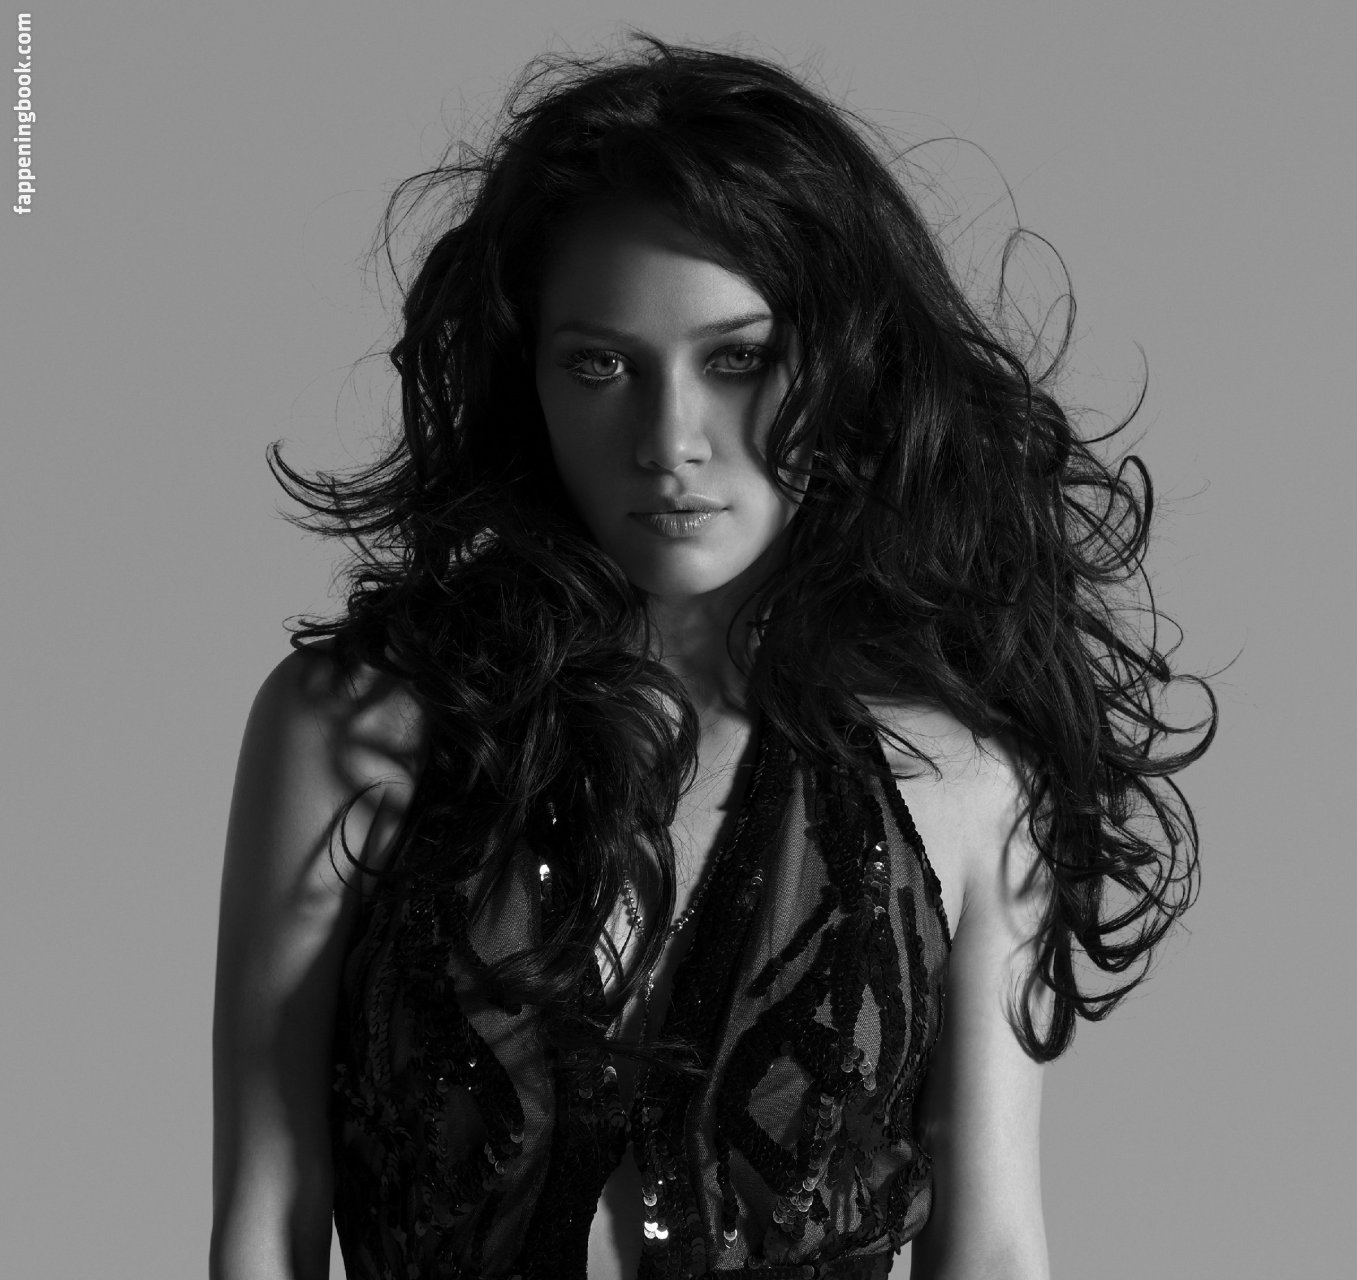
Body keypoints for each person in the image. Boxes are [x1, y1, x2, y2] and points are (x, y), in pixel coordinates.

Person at [210, 37, 1213, 1280]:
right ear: (529, 380)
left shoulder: (961, 785)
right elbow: (265, 1218)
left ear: (845, 370)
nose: (668, 438)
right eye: (600, 364)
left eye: (738, 359)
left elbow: (995, 1249)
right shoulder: (356, 729)